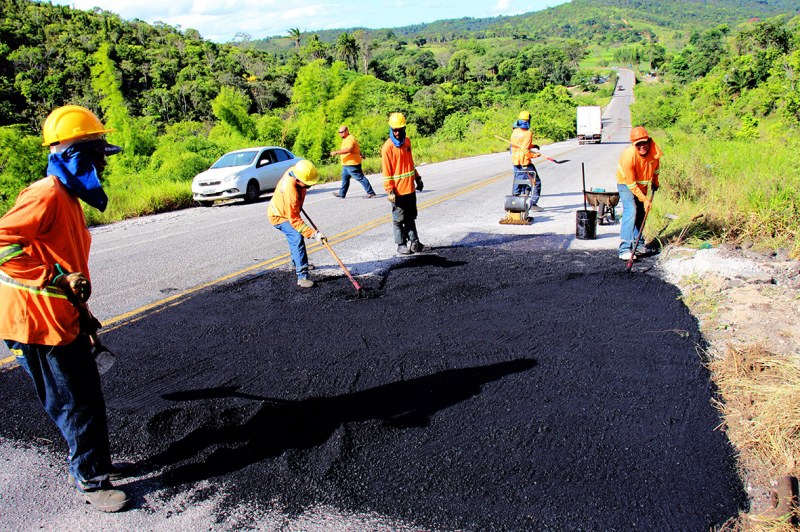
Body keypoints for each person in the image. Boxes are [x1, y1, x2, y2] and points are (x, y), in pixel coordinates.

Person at [0, 105, 129, 512]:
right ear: (76, 155)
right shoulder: (46, 194)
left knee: (81, 398)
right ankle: (91, 480)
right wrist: (53, 279)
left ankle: (91, 463)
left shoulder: (67, 198)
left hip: (59, 317)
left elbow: (65, 264)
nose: (102, 166)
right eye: (97, 156)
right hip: (35, 323)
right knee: (75, 402)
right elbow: (4, 245)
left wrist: (83, 313)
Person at [268, 159, 327, 288]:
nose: (310, 186)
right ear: (298, 180)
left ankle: (297, 263)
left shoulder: (295, 171)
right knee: (296, 236)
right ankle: (302, 277)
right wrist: (314, 234)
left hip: (287, 210)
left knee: (294, 238)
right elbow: (294, 220)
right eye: (307, 183)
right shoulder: (291, 192)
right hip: (279, 216)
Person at [616, 126, 662, 261]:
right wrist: (645, 199)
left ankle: (639, 244)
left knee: (641, 212)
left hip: (642, 185)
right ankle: (625, 248)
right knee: (631, 210)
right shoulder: (629, 156)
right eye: (638, 144)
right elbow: (631, 184)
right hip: (625, 184)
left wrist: (655, 181)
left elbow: (656, 169)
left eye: (644, 143)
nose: (642, 146)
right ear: (633, 144)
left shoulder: (654, 152)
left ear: (648, 141)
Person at [382, 113, 424, 255]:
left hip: (409, 189)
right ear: (391, 129)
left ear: (404, 128)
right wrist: (390, 191)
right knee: (398, 219)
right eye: (394, 130)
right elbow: (387, 172)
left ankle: (415, 241)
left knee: (411, 217)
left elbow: (410, 164)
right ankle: (401, 244)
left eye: (400, 130)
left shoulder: (407, 142)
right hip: (397, 192)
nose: (397, 133)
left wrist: (417, 178)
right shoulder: (387, 147)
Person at [509, 110, 543, 212]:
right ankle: (533, 203)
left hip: (516, 162)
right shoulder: (528, 133)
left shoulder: (515, 132)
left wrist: (533, 145)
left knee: (518, 180)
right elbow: (524, 150)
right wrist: (535, 155)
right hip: (524, 162)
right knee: (536, 182)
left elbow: (520, 144)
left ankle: (514, 202)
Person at [330, 125, 376, 199]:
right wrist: (361, 154)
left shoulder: (350, 139)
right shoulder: (345, 139)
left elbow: (349, 149)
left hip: (352, 164)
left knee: (360, 178)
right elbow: (356, 148)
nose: (340, 134)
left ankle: (371, 193)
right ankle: (342, 194)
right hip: (346, 164)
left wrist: (336, 152)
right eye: (339, 132)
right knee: (345, 179)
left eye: (342, 132)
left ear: (347, 131)